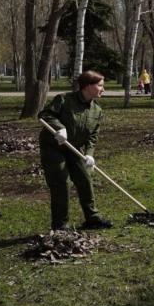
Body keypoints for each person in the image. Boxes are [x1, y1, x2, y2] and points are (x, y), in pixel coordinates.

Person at [38, 70, 112, 230]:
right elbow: (44, 115)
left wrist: (89, 155)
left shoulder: (96, 110)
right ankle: (60, 225)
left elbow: (93, 136)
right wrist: (60, 128)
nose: (103, 89)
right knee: (61, 183)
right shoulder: (64, 99)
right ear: (86, 86)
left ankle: (92, 218)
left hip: (74, 148)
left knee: (85, 179)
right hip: (53, 147)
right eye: (100, 85)